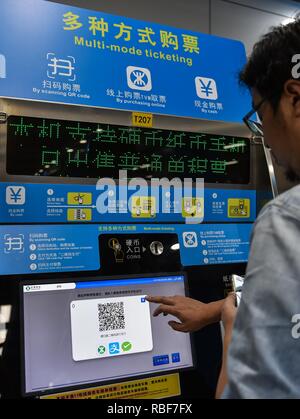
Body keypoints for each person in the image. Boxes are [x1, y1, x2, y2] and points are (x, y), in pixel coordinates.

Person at [147, 18, 300, 399]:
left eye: (259, 113)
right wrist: (216, 308)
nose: (264, 135)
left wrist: (232, 328)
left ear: (294, 97)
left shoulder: (286, 220)